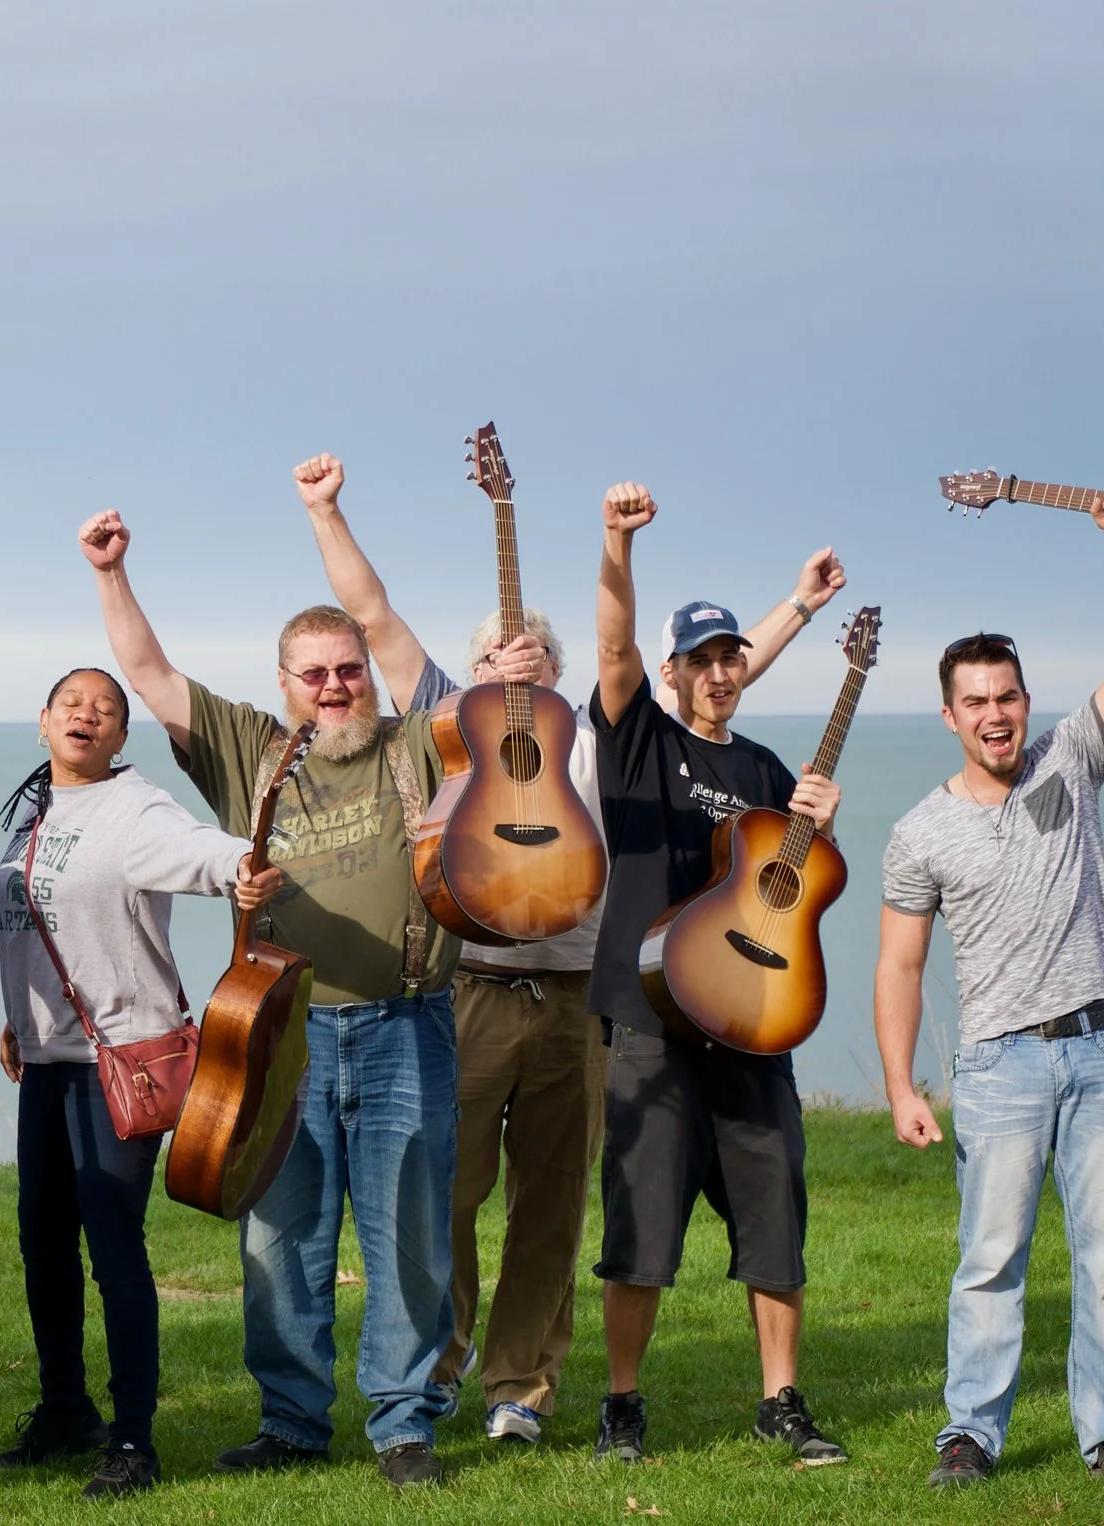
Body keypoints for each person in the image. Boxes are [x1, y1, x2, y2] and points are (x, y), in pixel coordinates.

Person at [301, 474, 841, 1445]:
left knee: (548, 1211)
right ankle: (432, 1371)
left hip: (571, 1001)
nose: (514, 666)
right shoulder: (451, 727)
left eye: (534, 657)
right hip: (465, 991)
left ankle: (521, 1386)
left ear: (555, 668)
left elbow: (704, 672)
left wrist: (798, 605)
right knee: (444, 1199)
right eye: (493, 657)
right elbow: (374, 617)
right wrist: (324, 512)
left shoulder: (591, 734)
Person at [80, 452, 545, 1488]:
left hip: (406, 1022)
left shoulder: (418, 740)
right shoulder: (249, 746)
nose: (337, 684)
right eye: (316, 672)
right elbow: (149, 674)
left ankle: (403, 1421)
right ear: (284, 683)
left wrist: (323, 511)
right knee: (278, 1237)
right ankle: (292, 1417)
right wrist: (111, 573)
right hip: (279, 1032)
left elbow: (378, 615)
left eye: (347, 669)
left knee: (411, 1231)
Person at [875, 483, 1104, 1494]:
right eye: (977, 701)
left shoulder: (1070, 763)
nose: (995, 715)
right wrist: (902, 1084)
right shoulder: (919, 829)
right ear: (949, 713)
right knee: (988, 1260)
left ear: (1023, 701)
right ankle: (970, 1430)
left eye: (1008, 696)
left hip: (1099, 1049)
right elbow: (898, 963)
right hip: (999, 1064)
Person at [585, 481, 847, 1467]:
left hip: (755, 1022)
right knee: (640, 1223)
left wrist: (819, 813)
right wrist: (616, 543)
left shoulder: (769, 767)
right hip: (652, 1024)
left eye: (728, 656)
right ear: (669, 671)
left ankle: (781, 1400)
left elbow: (799, 882)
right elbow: (612, 644)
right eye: (698, 658)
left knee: (775, 1208)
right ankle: (622, 1403)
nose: (717, 672)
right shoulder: (635, 740)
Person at [0, 668, 277, 1498]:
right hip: (45, 1063)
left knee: (113, 1249)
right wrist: (18, 1013)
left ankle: (133, 1439)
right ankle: (64, 1412)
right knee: (42, 1246)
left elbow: (202, 851)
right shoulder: (35, 811)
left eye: (105, 710)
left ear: (120, 736)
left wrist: (241, 868)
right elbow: (37, 922)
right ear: (43, 720)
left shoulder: (134, 806)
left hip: (117, 1064)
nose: (87, 716)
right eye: (72, 705)